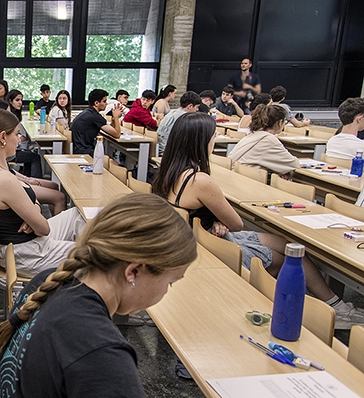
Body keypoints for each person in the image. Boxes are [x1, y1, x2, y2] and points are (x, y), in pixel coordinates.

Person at [153, 112, 364, 328]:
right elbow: (236, 224)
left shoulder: (169, 171)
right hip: (214, 246)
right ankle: (327, 310)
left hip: (198, 238)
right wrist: (219, 219)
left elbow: (199, 215)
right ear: (201, 142)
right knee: (291, 256)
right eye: (213, 137)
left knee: (286, 244)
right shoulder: (200, 180)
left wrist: (215, 219)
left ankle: (329, 305)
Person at [0, 193, 196, 397]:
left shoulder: (47, 280)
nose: (166, 291)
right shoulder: (101, 353)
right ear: (133, 271)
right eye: (170, 282)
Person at [0, 108, 86, 278]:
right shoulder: (3, 179)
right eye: (16, 134)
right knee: (96, 253)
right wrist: (34, 213)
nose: (19, 139)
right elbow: (43, 229)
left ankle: (70, 263)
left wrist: (33, 211)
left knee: (77, 215)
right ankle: (76, 273)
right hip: (27, 253)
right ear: (3, 137)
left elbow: (31, 202)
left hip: (26, 244)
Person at [228, 105, 299, 177]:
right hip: (246, 179)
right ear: (279, 123)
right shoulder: (269, 140)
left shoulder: (252, 135)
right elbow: (293, 164)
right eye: (285, 122)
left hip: (235, 175)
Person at [71, 89, 123, 155]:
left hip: (77, 148)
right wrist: (116, 117)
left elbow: (110, 129)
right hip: (83, 151)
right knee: (110, 160)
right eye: (104, 101)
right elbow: (117, 135)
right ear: (96, 103)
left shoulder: (89, 112)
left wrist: (113, 118)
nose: (106, 104)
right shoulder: (95, 117)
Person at [157, 91, 202, 156]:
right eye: (197, 107)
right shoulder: (185, 118)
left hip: (160, 149)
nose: (197, 110)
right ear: (190, 106)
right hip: (170, 154)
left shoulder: (171, 112)